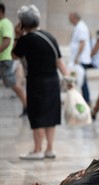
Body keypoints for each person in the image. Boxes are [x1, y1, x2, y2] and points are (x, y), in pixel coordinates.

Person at [13, 5, 71, 160]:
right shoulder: (49, 36)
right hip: (53, 81)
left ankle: (37, 149)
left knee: (37, 114)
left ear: (23, 24)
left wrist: (17, 36)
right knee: (50, 115)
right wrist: (68, 78)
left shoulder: (25, 40)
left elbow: (14, 55)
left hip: (36, 82)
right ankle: (49, 149)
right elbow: (59, 61)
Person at [0, 3, 27, 116]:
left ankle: (27, 105)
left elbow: (7, 41)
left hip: (4, 60)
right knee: (13, 84)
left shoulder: (5, 23)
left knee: (13, 84)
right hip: (3, 59)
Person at [68, 12, 92, 105]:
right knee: (81, 81)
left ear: (74, 18)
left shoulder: (81, 27)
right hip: (79, 59)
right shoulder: (79, 26)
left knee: (82, 81)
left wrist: (77, 57)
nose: (69, 21)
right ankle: (83, 100)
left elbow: (82, 43)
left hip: (80, 60)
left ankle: (86, 100)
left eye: (70, 18)